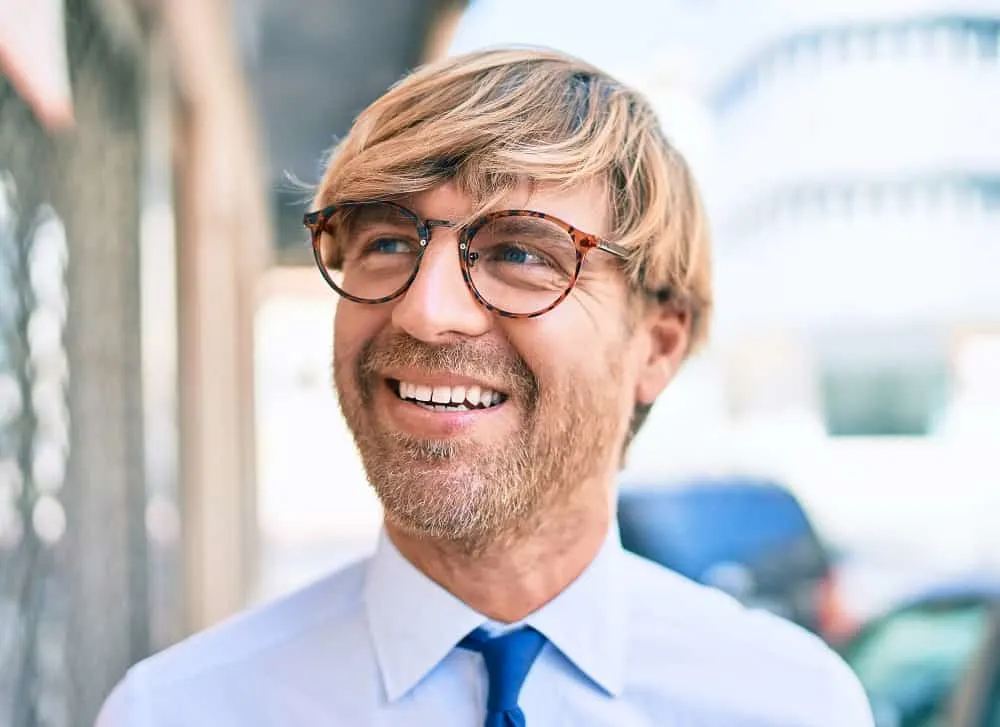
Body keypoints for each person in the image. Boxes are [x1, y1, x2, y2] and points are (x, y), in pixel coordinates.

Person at [97, 47, 874, 726]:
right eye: (389, 241)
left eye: (522, 253)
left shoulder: (792, 708)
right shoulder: (178, 711)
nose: (426, 310)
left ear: (657, 344)